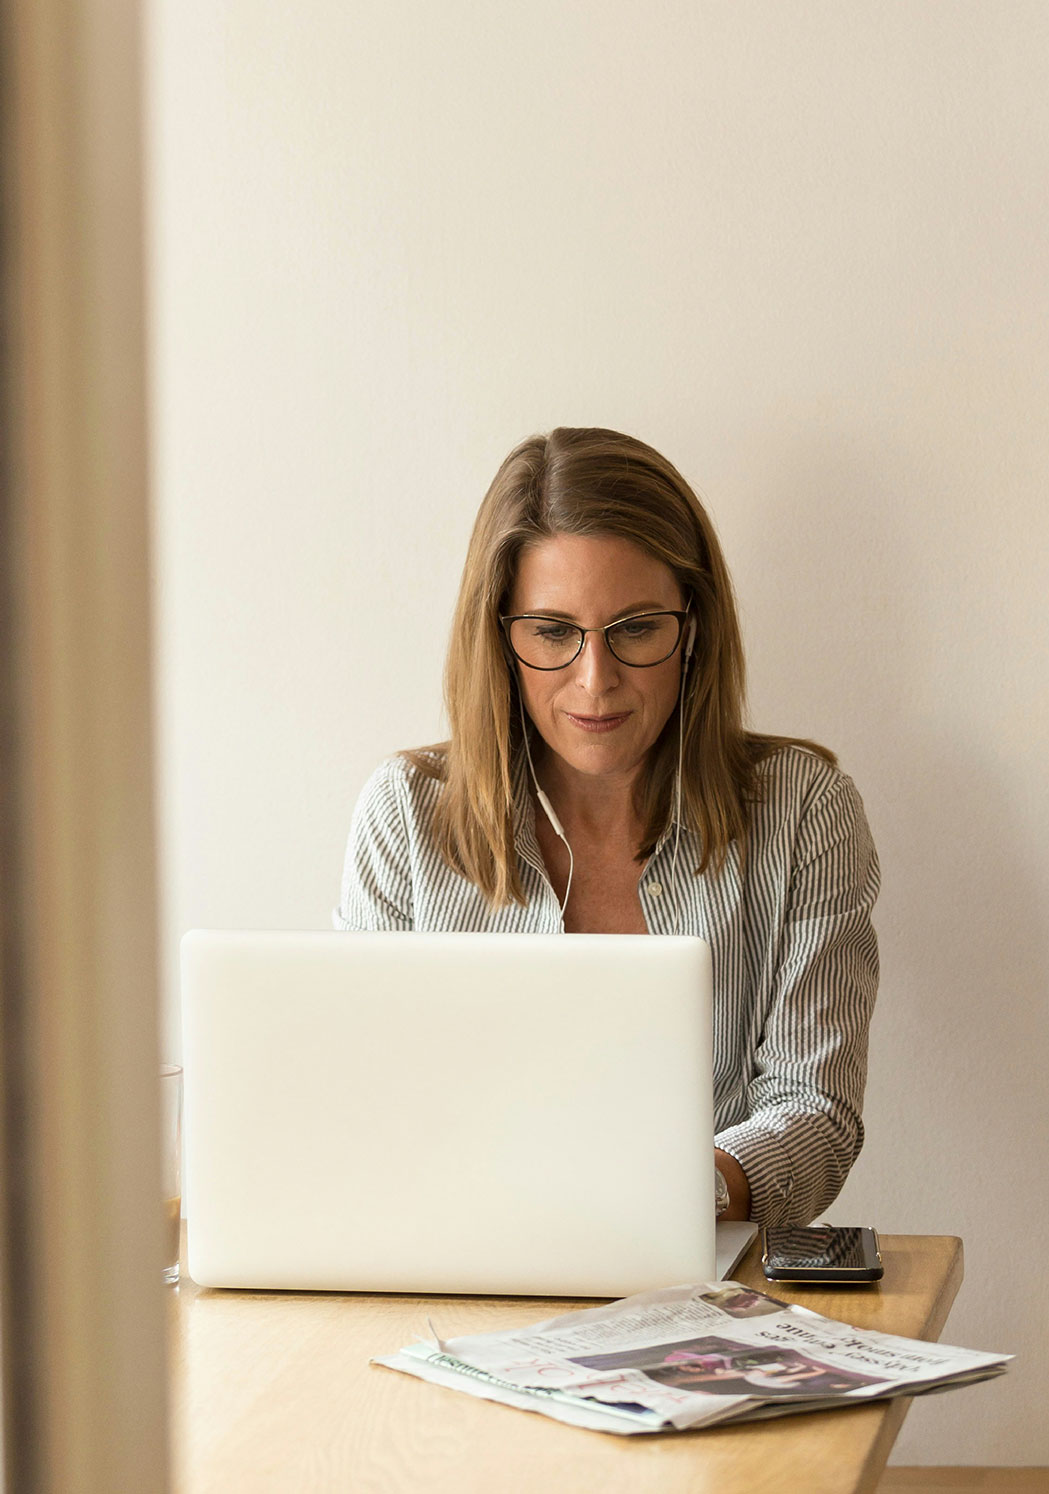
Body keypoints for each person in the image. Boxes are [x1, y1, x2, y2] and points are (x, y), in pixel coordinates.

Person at [333, 426, 879, 1228]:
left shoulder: (803, 810)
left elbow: (815, 1114)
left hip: (704, 1284)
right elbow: (361, 1106)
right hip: (456, 1270)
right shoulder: (405, 814)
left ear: (691, 627)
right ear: (499, 637)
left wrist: (664, 1199)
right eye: (552, 632)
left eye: (634, 629)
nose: (595, 681)